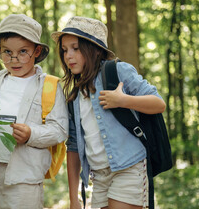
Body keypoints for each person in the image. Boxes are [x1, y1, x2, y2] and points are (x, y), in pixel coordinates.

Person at [51, 16, 166, 209]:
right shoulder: (74, 95)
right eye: (64, 50)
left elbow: (158, 103)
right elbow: (73, 147)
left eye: (75, 48)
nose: (68, 56)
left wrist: (123, 100)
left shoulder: (118, 71)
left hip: (129, 167)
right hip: (99, 176)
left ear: (95, 50)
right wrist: (74, 199)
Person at [0, 14, 68, 209]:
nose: (14, 59)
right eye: (7, 52)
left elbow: (60, 130)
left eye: (22, 51)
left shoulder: (50, 86)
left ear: (36, 51)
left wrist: (31, 134)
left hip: (24, 177)